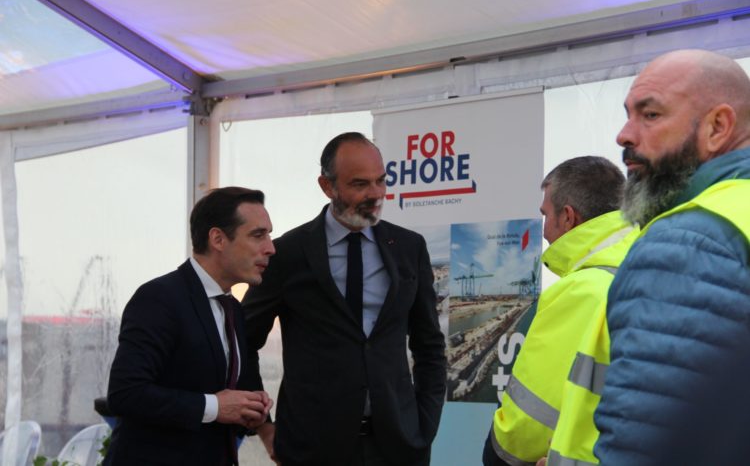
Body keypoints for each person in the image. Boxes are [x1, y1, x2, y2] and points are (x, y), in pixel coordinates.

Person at [243, 132, 447, 466]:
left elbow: (429, 346)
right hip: (311, 449)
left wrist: (424, 425)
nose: (376, 194)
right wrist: (264, 426)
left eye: (381, 181)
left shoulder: (410, 248)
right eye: (360, 184)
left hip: (398, 448)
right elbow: (243, 340)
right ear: (327, 186)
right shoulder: (287, 254)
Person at [593, 49, 750, 465]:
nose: (624, 136)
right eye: (629, 114)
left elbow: (645, 442)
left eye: (651, 115)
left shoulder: (686, 241)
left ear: (718, 127)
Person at [104, 187, 276, 466]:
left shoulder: (232, 308)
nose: (271, 247)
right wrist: (215, 407)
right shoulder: (159, 298)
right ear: (218, 239)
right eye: (258, 235)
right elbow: (126, 394)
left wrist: (248, 408)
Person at [483, 156, 637, 466]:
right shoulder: (646, 267)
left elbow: (530, 420)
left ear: (568, 217)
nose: (543, 230)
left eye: (545, 215)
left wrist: (497, 453)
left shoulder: (580, 290)